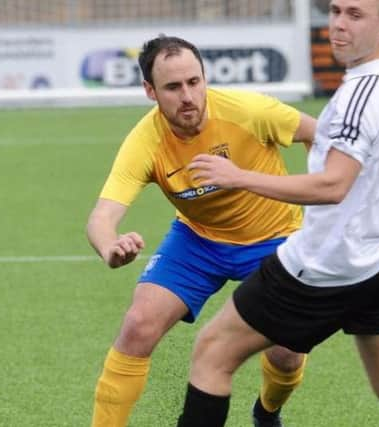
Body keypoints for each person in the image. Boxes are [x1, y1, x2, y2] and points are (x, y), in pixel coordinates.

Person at [175, 0, 379, 426]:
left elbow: (333, 186)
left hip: (328, 264)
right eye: (335, 11)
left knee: (212, 354)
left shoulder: (361, 91)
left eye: (355, 15)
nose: (338, 25)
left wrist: (238, 176)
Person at [86, 35, 317, 427]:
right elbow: (101, 217)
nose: (188, 96)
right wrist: (110, 246)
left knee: (286, 353)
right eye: (173, 87)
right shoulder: (146, 140)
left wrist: (318, 208)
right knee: (137, 325)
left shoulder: (250, 110)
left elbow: (320, 133)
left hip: (276, 238)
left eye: (195, 82)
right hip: (199, 240)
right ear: (150, 91)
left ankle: (267, 412)